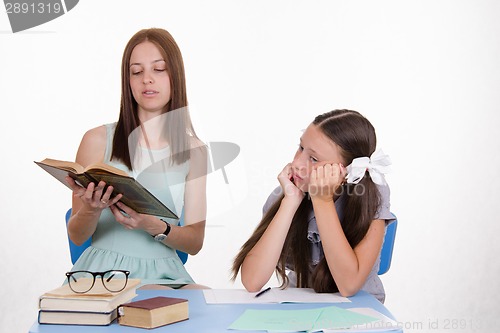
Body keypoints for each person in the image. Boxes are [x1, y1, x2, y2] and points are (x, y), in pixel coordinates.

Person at [65, 28, 208, 289]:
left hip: (165, 275)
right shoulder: (97, 139)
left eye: (159, 69)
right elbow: (76, 235)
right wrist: (91, 208)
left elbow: (195, 241)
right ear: (127, 80)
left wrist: (155, 226)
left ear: (175, 75)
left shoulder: (195, 151)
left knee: (208, 307)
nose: (147, 80)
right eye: (137, 72)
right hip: (104, 274)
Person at [231, 109, 394, 302]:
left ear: (347, 171)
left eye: (314, 159)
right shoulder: (286, 193)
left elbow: (348, 286)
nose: (297, 163)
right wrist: (290, 202)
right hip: (300, 306)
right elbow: (252, 281)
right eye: (301, 148)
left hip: (358, 308)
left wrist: (322, 201)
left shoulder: (371, 195)